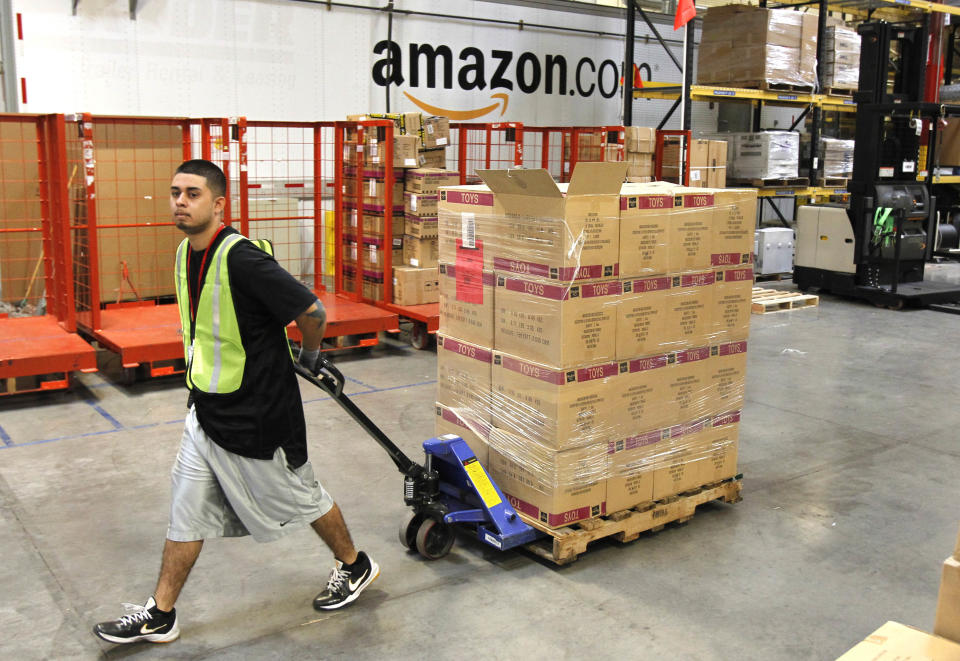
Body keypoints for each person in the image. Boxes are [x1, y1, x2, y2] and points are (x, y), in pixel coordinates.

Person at [93, 159, 379, 645]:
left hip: (259, 418)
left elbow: (311, 310)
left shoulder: (242, 258)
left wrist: (310, 358)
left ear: (218, 203)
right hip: (206, 412)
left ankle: (355, 564)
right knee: (185, 510)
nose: (180, 202)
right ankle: (161, 613)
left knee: (302, 498)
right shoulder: (185, 253)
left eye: (193, 194)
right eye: (175, 192)